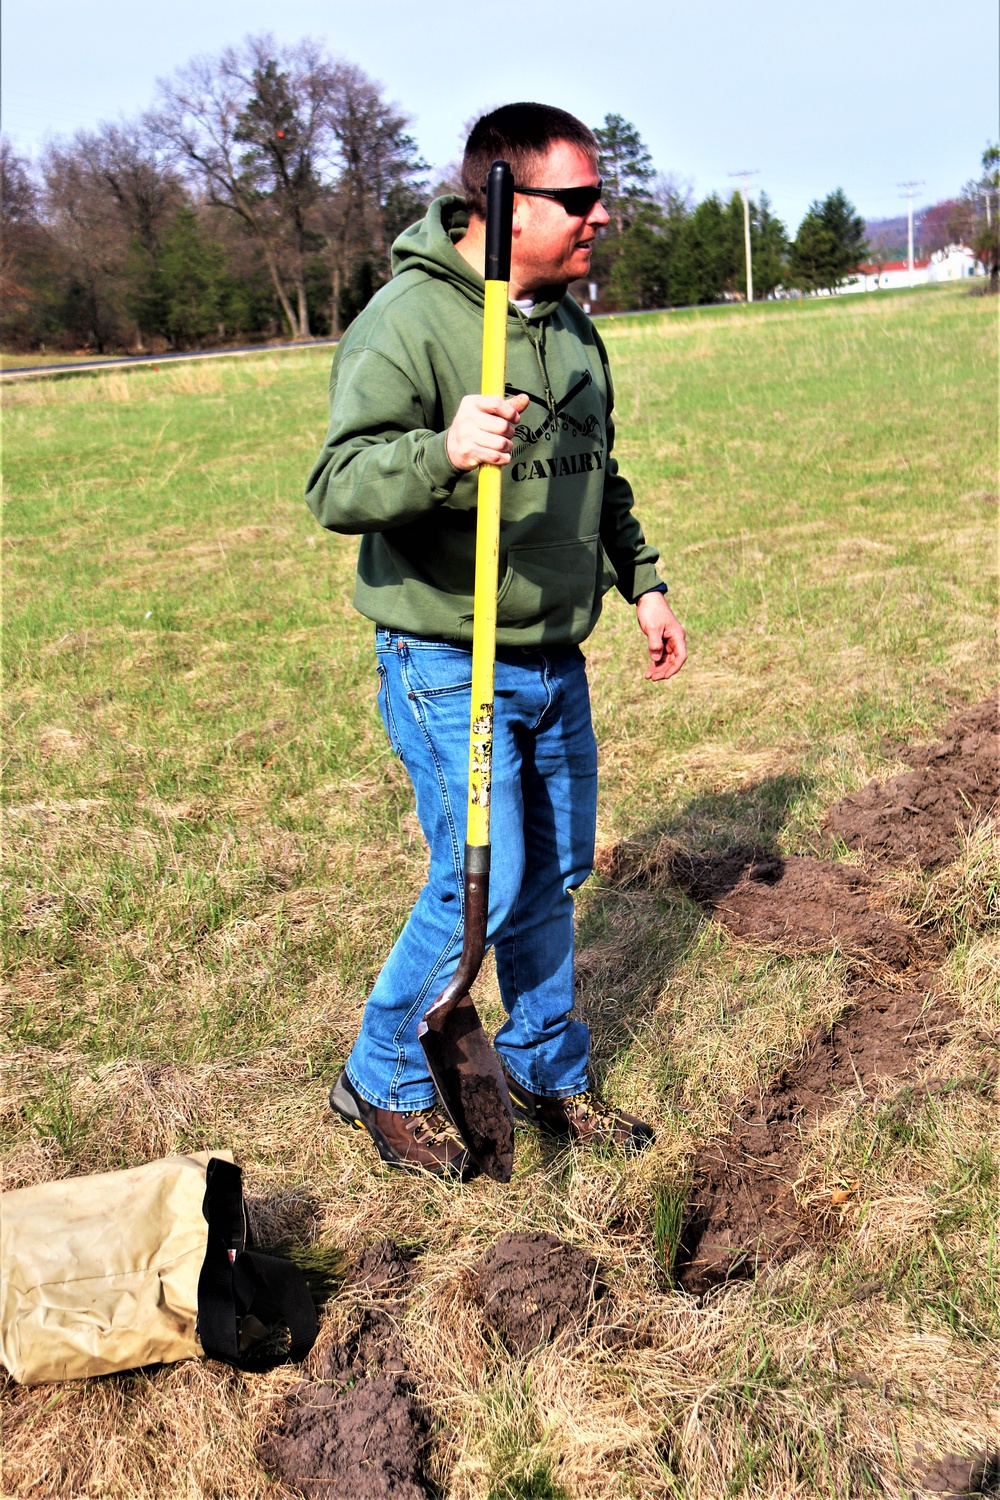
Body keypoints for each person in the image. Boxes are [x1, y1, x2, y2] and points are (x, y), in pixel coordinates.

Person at [305, 103, 687, 1179]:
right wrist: (441, 449)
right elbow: (335, 486)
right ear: (504, 203)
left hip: (552, 654)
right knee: (481, 875)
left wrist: (642, 582)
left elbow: (594, 469)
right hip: (447, 656)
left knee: (553, 870)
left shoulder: (570, 327)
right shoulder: (407, 321)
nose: (601, 217)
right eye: (579, 200)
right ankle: (376, 1077)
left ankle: (540, 1063)